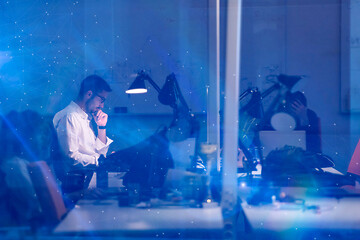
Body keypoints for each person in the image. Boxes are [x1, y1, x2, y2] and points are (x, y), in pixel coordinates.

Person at [53, 75, 113, 194]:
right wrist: (100, 161)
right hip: (73, 187)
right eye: (102, 100)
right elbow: (71, 157)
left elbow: (99, 153)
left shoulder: (85, 117)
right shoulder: (69, 116)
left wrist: (101, 127)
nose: (102, 106)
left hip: (85, 182)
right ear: (89, 94)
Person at [0, 110, 52, 226]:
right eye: (41, 132)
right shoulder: (15, 166)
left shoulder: (28, 163)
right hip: (32, 229)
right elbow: (40, 205)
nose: (45, 139)